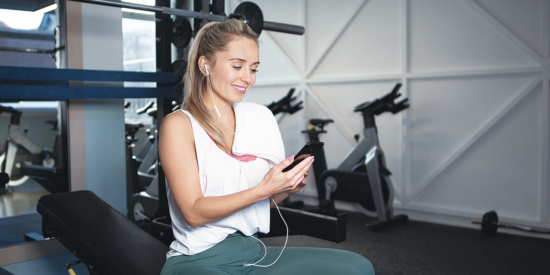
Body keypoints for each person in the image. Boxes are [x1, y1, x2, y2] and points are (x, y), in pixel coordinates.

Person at [159, 19, 375, 275]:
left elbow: (264, 203)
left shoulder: (261, 117)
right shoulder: (178, 125)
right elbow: (193, 213)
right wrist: (263, 190)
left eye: (254, 69)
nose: (247, 78)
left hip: (252, 253)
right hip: (196, 259)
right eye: (237, 66)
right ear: (205, 64)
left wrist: (283, 188)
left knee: (358, 268)